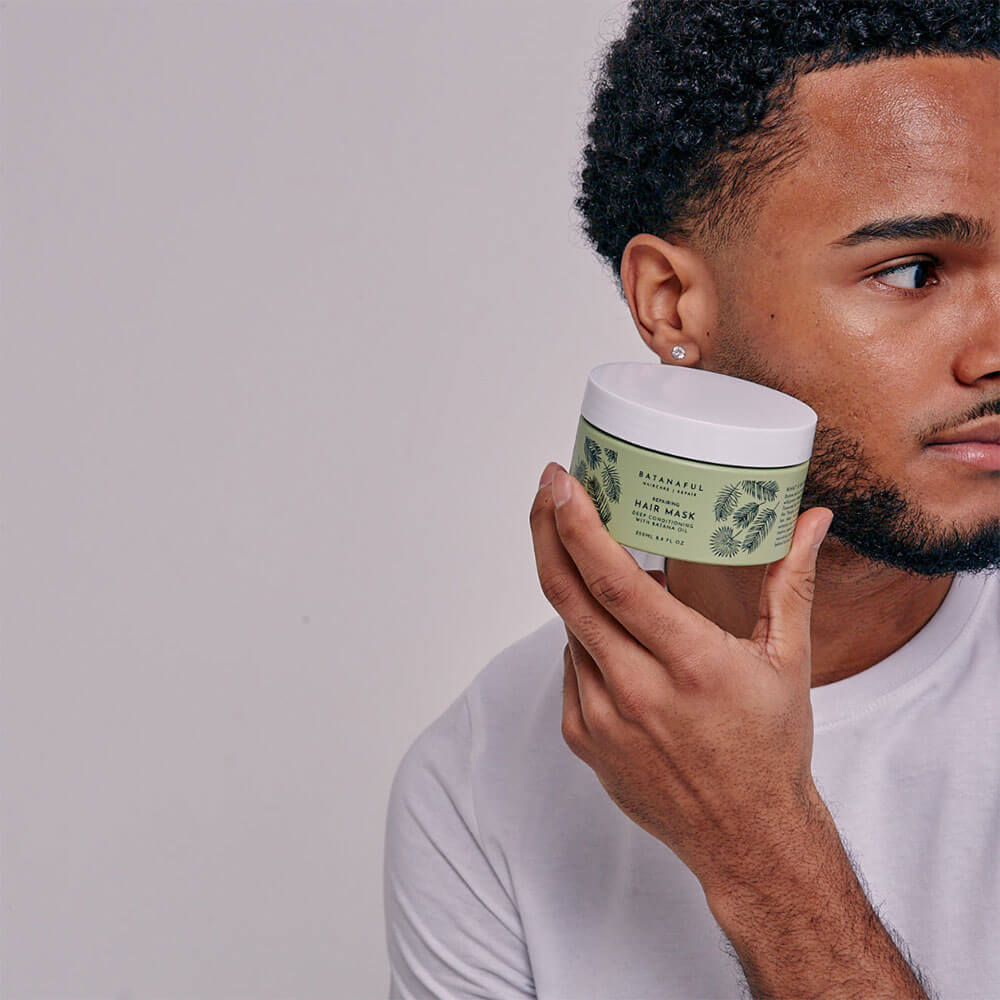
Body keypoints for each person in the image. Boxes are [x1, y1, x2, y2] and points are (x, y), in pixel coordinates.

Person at [383, 1, 1000, 996]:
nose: (991, 352)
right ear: (672, 304)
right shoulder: (479, 779)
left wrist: (761, 846)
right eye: (914, 270)